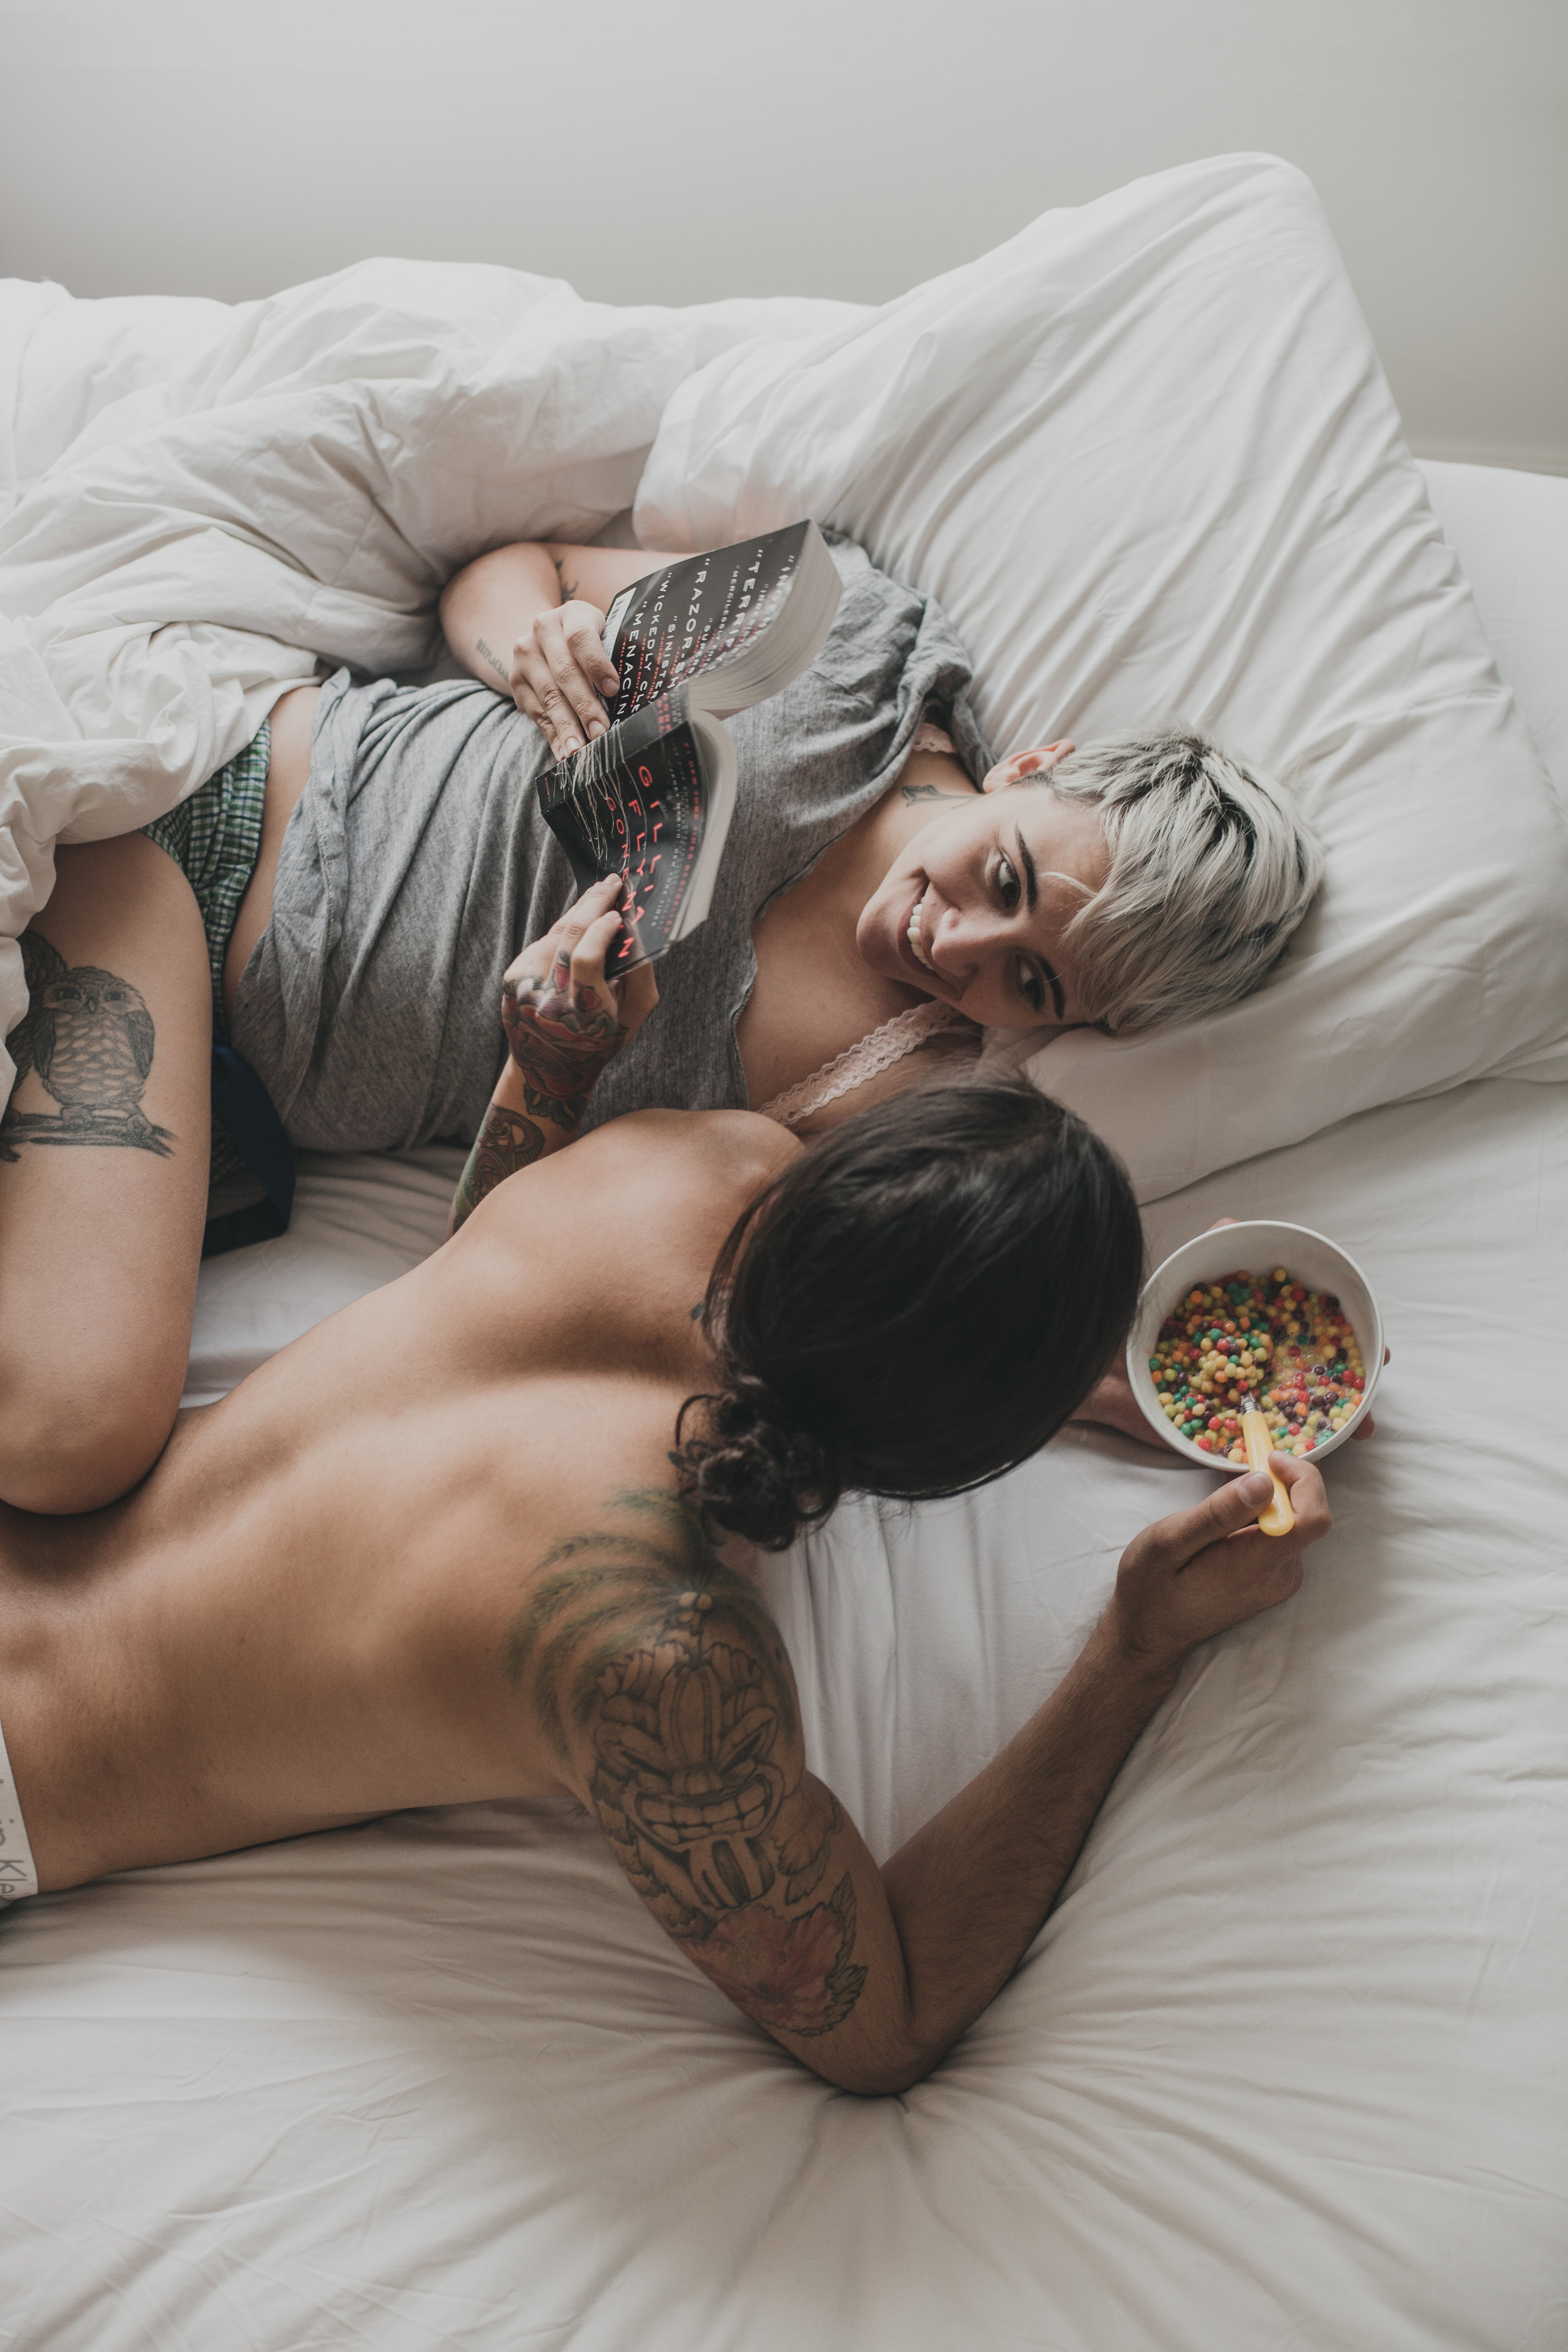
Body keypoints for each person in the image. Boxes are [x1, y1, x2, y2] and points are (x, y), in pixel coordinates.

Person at [0, 911, 1331, 2092]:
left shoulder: (669, 1165)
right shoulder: (664, 1663)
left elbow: (479, 1271)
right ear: (939, 1466)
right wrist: (1133, 1645)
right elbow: (889, 2018)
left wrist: (547, 1075)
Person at [0, 528, 1322, 1513]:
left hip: (202, 1053)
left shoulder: (883, 1098)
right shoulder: (851, 643)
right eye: (1008, 878)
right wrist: (528, 641)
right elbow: (511, 566)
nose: (955, 944)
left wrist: (1116, 1380)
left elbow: (509, 1285)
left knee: (66, 1445)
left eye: (1027, 983)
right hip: (186, 818)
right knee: (75, 1429)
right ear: (1033, 768)